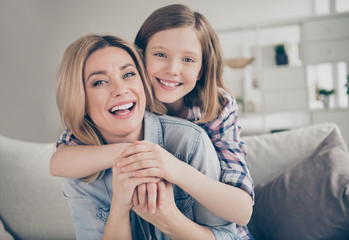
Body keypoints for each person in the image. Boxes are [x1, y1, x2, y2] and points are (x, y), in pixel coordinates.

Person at [50, 3, 254, 239]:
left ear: (202, 70)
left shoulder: (213, 110)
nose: (172, 70)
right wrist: (137, 153)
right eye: (160, 55)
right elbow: (58, 163)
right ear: (140, 57)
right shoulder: (114, 111)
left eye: (188, 59)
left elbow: (242, 210)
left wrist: (172, 167)